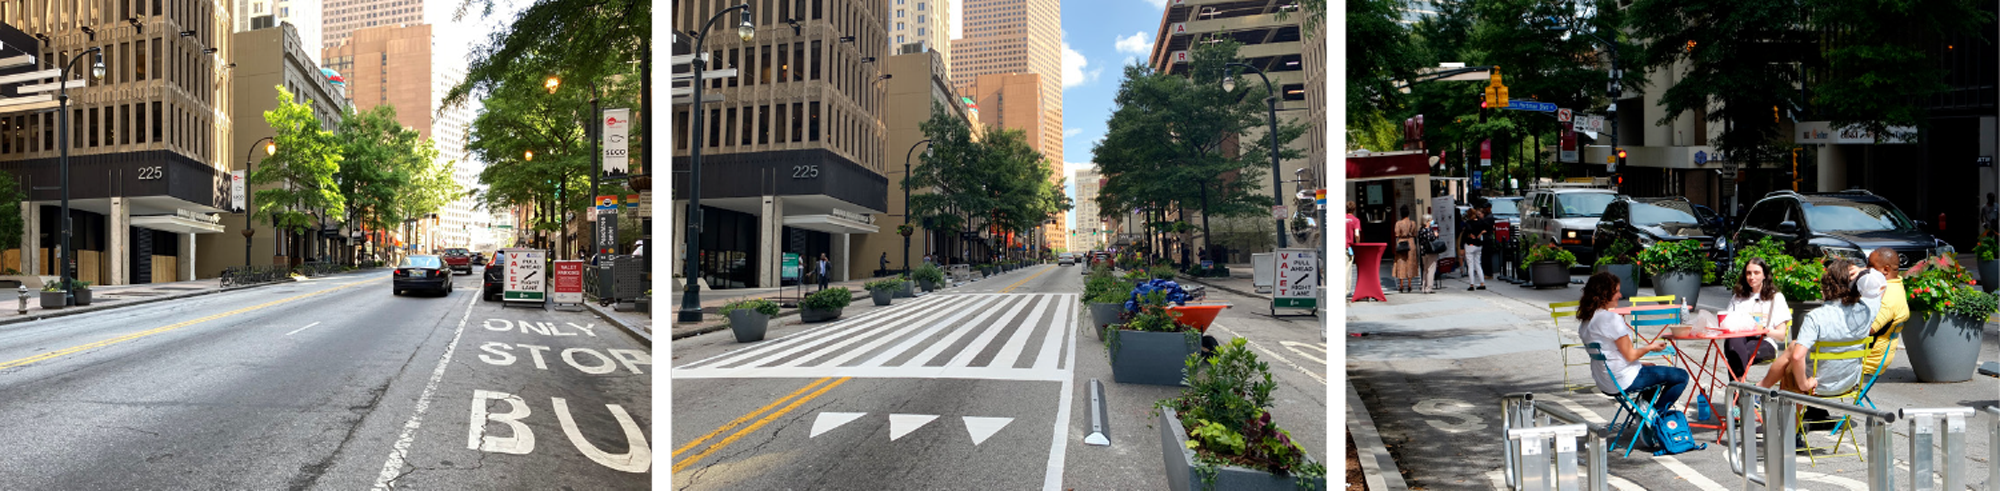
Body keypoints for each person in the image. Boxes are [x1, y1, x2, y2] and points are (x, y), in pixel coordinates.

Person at [1757, 258, 1872, 398]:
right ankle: (1761, 389)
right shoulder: (1866, 311)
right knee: (1794, 346)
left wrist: (1804, 384)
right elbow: (1880, 287)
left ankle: (1762, 392)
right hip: (1849, 384)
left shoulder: (1816, 317)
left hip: (1817, 386)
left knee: (1792, 365)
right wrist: (1864, 272)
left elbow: (1797, 356)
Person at [1578, 271, 1689, 415]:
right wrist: (1651, 347)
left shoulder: (1586, 322)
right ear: (1604, 295)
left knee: (1653, 371)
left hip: (1605, 381)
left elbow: (1611, 354)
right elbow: (1630, 355)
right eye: (1616, 291)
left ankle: (1645, 413)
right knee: (1681, 376)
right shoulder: (1610, 318)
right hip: (1622, 380)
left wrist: (1639, 364)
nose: (1620, 295)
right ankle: (1655, 417)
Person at [1723, 258, 1792, 380]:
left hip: (1765, 341)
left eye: (1756, 273)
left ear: (1764, 275)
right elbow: (1728, 323)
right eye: (1748, 273)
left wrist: (1762, 329)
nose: (1751, 277)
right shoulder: (1738, 297)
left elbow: (1781, 335)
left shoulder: (1775, 297)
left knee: (1736, 355)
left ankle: (1737, 391)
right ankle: (1740, 392)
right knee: (1734, 344)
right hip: (1739, 340)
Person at [1858, 248, 1909, 377]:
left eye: (1871, 266)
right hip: (1865, 357)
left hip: (1863, 362)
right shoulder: (1895, 285)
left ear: (1885, 270)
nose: (1866, 269)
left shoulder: (1888, 298)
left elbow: (1866, 329)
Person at [1462, 202, 1493, 291]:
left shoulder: (1468, 223)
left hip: (1470, 244)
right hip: (1479, 244)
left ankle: (1472, 284)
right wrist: (1481, 233)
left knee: (1470, 265)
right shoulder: (1481, 222)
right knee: (1478, 264)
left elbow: (1467, 232)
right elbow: (1488, 227)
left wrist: (1469, 235)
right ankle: (1482, 283)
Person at [1392, 206, 1420, 293]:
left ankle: (1401, 285)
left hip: (1401, 243)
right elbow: (1415, 234)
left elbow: (1396, 234)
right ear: (1408, 213)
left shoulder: (1398, 223)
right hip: (1411, 243)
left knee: (1401, 263)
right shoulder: (1413, 223)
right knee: (1410, 263)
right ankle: (1409, 284)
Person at [1419, 215, 1440, 294]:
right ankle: (1429, 287)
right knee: (1431, 269)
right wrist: (1435, 235)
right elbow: (1432, 239)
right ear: (1427, 221)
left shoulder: (1421, 230)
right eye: (1430, 220)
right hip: (1431, 252)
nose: (1432, 221)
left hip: (1423, 252)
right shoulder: (1429, 231)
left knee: (1425, 269)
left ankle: (1424, 286)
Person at [1346, 201, 1362, 297]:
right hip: (1348, 247)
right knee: (1347, 270)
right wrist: (1358, 244)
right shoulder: (1355, 220)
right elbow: (1356, 234)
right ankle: (1346, 291)